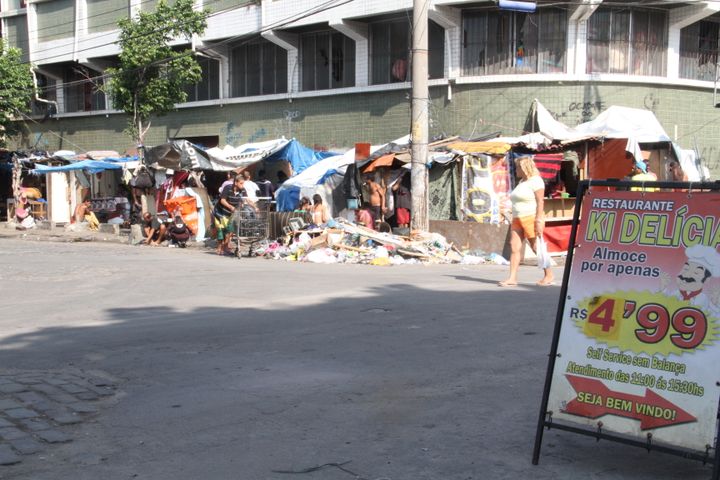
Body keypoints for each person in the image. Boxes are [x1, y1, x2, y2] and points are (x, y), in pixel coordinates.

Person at [499, 156, 554, 287]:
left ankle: (549, 274)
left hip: (530, 217)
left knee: (536, 246)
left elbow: (540, 201)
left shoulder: (536, 181)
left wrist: (539, 219)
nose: (515, 170)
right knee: (514, 247)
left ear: (524, 167)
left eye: (517, 167)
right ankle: (512, 278)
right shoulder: (522, 182)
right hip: (517, 218)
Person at [213, 174, 246, 255]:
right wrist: (230, 207)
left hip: (231, 214)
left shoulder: (243, 190)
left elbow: (246, 200)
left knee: (230, 231)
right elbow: (222, 200)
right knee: (221, 231)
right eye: (241, 183)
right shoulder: (228, 188)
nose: (242, 185)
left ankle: (225, 247)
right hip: (220, 212)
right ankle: (220, 248)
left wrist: (254, 207)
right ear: (236, 183)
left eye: (243, 183)